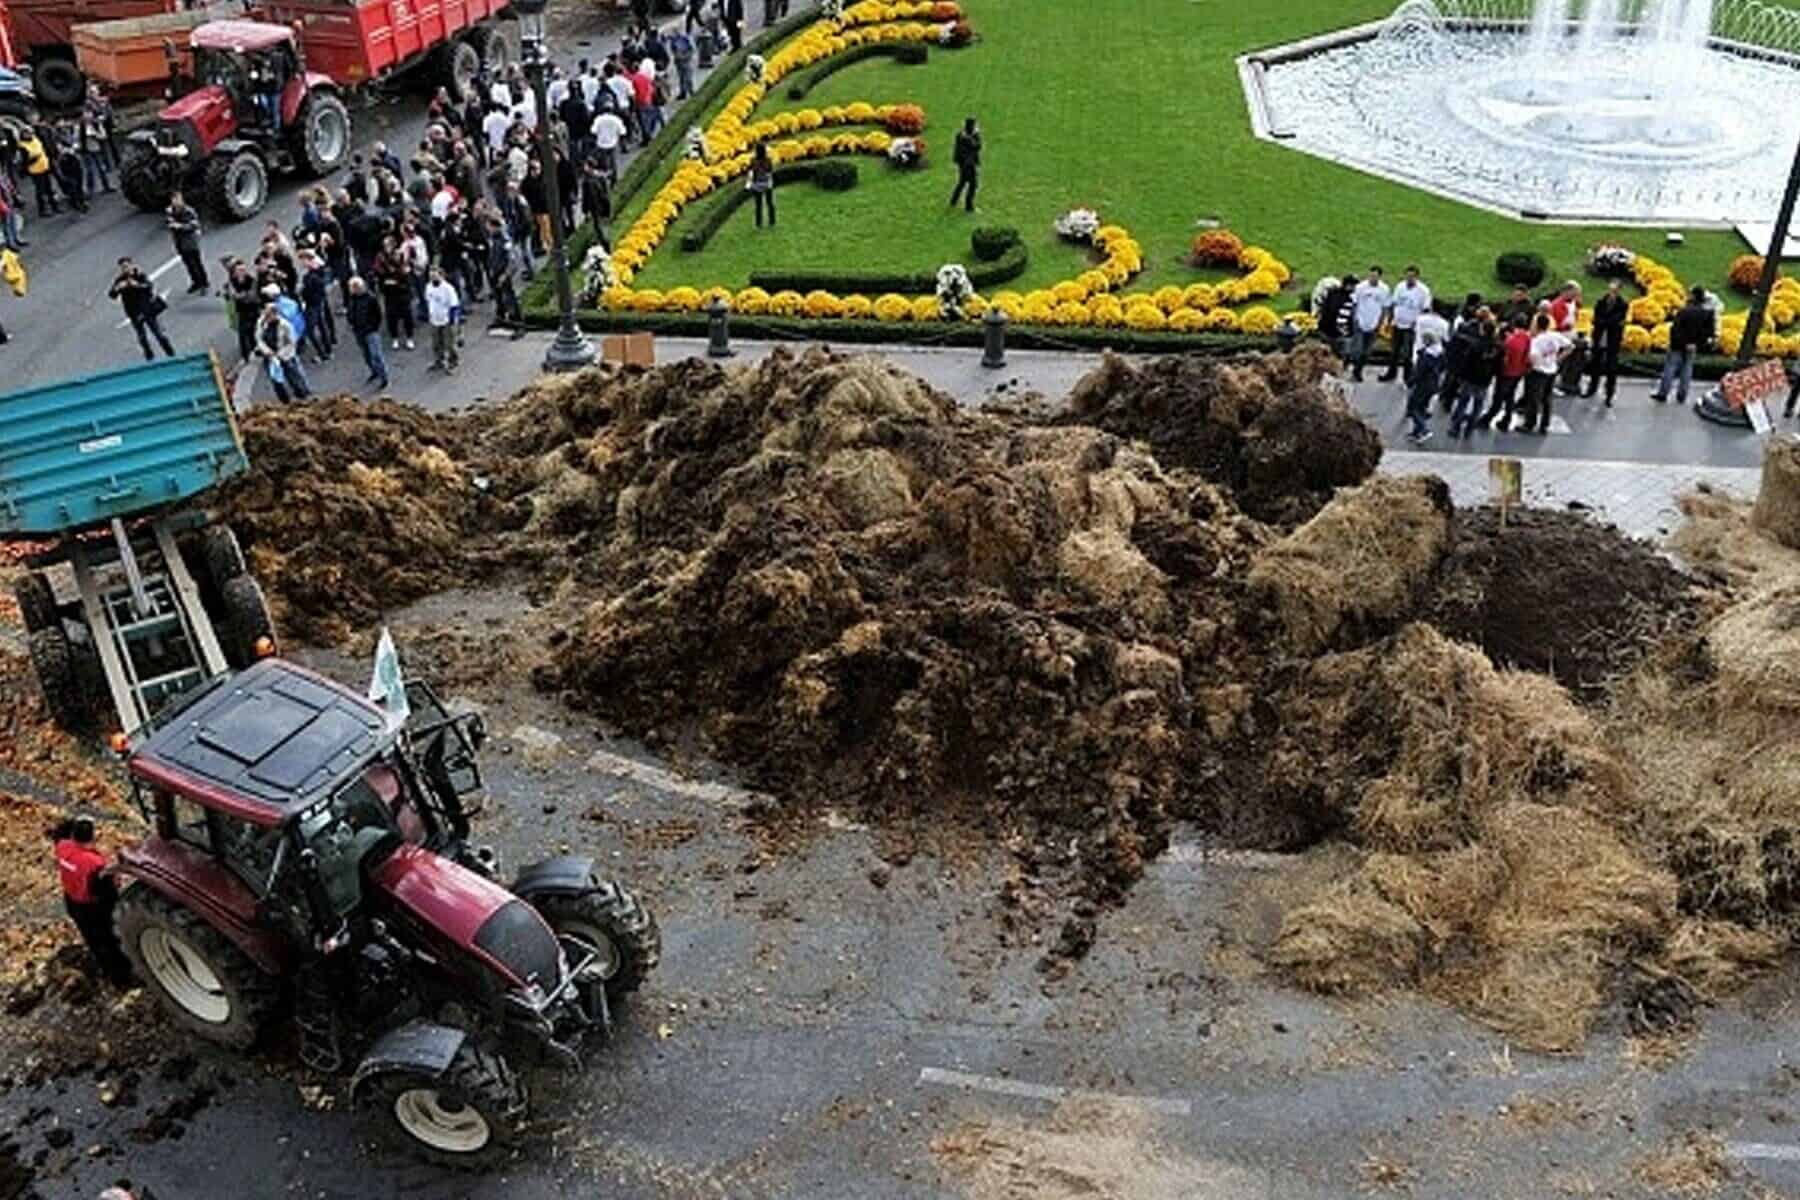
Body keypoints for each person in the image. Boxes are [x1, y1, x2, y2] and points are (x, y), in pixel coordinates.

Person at [52, 816, 131, 988]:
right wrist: (116, 881)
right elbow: (104, 891)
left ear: (73, 836)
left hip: (72, 902)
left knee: (93, 940)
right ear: (93, 837)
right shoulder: (94, 863)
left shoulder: (63, 848)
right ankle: (122, 979)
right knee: (110, 942)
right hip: (92, 908)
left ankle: (104, 968)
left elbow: (58, 833)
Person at [1654, 286, 1715, 405]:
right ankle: (1682, 395)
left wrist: (1684, 342)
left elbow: (1676, 329)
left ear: (1693, 296)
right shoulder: (1707, 313)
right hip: (1693, 347)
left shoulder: (1683, 311)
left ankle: (1663, 393)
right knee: (1687, 369)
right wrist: (1695, 343)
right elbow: (1708, 332)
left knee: (1670, 368)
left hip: (1678, 345)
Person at [109, 257, 175, 361]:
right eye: (122, 268)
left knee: (158, 333)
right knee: (142, 337)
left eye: (126, 266)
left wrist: (137, 285)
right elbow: (112, 295)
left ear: (131, 265)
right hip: (133, 312)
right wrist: (117, 288)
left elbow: (149, 286)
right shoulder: (119, 280)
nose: (125, 269)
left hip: (146, 310)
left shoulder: (140, 275)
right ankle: (149, 356)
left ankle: (170, 352)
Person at [1447, 310, 1497, 439]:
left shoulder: (1476, 345)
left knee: (1463, 402)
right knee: (1478, 405)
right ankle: (1469, 429)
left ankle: (1456, 427)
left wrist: (1461, 375)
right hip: (1485, 380)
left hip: (1470, 378)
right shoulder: (1497, 346)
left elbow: (1467, 361)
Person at [1381, 264, 1432, 384]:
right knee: (1394, 351)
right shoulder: (1400, 287)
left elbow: (1425, 309)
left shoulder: (1423, 291)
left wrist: (1418, 324)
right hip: (1397, 324)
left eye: (1412, 277)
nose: (1409, 279)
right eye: (1407, 276)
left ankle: (1407, 377)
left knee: (1408, 353)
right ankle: (1391, 373)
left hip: (1411, 326)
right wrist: (1390, 320)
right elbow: (1394, 303)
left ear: (1417, 277)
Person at [1482, 315, 1533, 432]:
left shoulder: (1510, 340)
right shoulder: (1526, 337)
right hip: (1518, 371)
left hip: (1506, 372)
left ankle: (1488, 418)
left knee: (1499, 397)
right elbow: (1526, 354)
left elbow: (1505, 358)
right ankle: (1506, 419)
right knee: (1510, 396)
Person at [1523, 312, 1571, 434]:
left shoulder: (1536, 341)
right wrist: (1559, 359)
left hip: (1538, 371)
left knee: (1534, 398)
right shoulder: (1555, 336)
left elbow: (1532, 356)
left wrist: (1533, 365)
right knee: (1547, 399)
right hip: (1552, 370)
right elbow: (1570, 346)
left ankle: (1530, 423)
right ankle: (1545, 424)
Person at [255, 301, 310, 400]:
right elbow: (259, 338)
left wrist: (281, 354)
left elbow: (292, 341)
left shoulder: (285, 325)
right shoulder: (261, 323)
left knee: (293, 375)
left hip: (285, 355)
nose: (267, 318)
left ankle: (302, 394)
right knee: (276, 379)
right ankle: (284, 399)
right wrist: (267, 351)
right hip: (270, 356)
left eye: (269, 316)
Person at [1584, 278, 1627, 405]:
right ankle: (1592, 388)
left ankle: (1609, 394)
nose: (1612, 292)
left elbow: (1616, 321)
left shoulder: (1622, 305)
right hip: (1600, 337)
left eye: (1615, 290)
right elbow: (1596, 320)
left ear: (1619, 290)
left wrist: (1605, 322)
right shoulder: (1601, 302)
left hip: (1612, 340)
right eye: (1611, 289)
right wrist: (1607, 322)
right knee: (1595, 364)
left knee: (1611, 369)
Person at [345, 276, 389, 390]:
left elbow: (378, 315)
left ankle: (383, 377)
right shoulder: (352, 299)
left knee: (376, 354)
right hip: (358, 331)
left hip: (370, 331)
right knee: (366, 354)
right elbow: (351, 312)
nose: (352, 290)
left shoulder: (371, 298)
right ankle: (374, 371)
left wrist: (373, 327)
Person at [1348, 265, 1389, 382]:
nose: (1372, 278)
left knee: (1367, 352)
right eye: (1371, 275)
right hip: (1360, 322)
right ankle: (1354, 368)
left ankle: (1358, 370)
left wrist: (1381, 323)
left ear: (1379, 277)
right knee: (1358, 350)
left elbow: (1385, 307)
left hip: (1374, 324)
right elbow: (1355, 304)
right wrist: (1355, 319)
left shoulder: (1384, 289)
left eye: (1375, 276)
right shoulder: (1361, 287)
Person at [1405, 328, 1443, 444]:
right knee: (1421, 408)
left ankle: (1424, 430)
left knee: (1413, 408)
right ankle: (1416, 433)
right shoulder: (1440, 353)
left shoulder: (1426, 356)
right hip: (1433, 385)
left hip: (1422, 385)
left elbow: (1419, 372)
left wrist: (1410, 381)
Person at [164, 192, 208, 293]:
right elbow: (168, 222)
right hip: (180, 242)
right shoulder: (170, 211)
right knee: (188, 264)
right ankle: (195, 282)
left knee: (196, 264)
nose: (175, 202)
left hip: (190, 242)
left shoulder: (189, 211)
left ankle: (203, 284)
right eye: (173, 199)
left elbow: (194, 225)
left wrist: (180, 226)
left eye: (177, 199)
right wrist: (171, 219)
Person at [299, 251, 335, 362]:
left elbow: (312, 289)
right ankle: (328, 350)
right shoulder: (318, 270)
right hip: (318, 302)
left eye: (303, 260)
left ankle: (322, 353)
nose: (302, 263)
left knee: (310, 330)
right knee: (322, 325)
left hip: (312, 304)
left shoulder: (312, 274)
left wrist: (303, 293)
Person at [425, 266, 460, 372]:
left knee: (449, 344)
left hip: (446, 320)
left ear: (441, 275)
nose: (433, 278)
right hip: (434, 320)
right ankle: (439, 361)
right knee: (436, 343)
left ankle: (453, 362)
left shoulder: (448, 289)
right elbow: (428, 301)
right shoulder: (428, 287)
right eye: (431, 275)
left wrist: (452, 321)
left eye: (435, 275)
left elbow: (454, 305)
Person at [1316, 271, 1356, 361]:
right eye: (1352, 285)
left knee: (1340, 355)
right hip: (1330, 330)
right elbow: (1328, 311)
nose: (1353, 287)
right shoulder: (1335, 294)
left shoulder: (1351, 297)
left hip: (1339, 332)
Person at [18, 126, 54, 217]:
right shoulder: (22, 146)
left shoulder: (36, 139)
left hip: (44, 167)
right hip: (35, 170)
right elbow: (23, 162)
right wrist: (33, 159)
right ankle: (43, 210)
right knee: (40, 191)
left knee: (49, 188)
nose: (29, 134)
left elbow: (43, 150)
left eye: (30, 132)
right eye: (26, 133)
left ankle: (54, 206)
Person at [950, 117, 981, 213]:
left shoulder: (974, 135)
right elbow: (966, 149)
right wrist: (970, 140)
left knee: (962, 182)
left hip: (969, 162)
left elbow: (979, 146)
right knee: (973, 184)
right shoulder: (962, 136)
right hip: (966, 164)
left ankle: (953, 201)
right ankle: (969, 206)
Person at [747, 143, 775, 228]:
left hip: (756, 184)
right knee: (770, 203)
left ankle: (758, 223)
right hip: (766, 183)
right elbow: (769, 173)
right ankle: (772, 221)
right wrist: (770, 183)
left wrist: (748, 185)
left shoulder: (753, 160)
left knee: (758, 205)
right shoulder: (768, 160)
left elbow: (751, 173)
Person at [669, 25, 697, 100]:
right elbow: (672, 49)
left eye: (676, 31)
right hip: (679, 61)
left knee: (688, 77)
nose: (675, 33)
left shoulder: (686, 38)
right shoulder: (674, 39)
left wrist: (685, 56)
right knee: (681, 77)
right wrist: (676, 55)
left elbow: (692, 49)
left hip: (686, 60)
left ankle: (691, 91)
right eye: (674, 31)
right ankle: (683, 92)